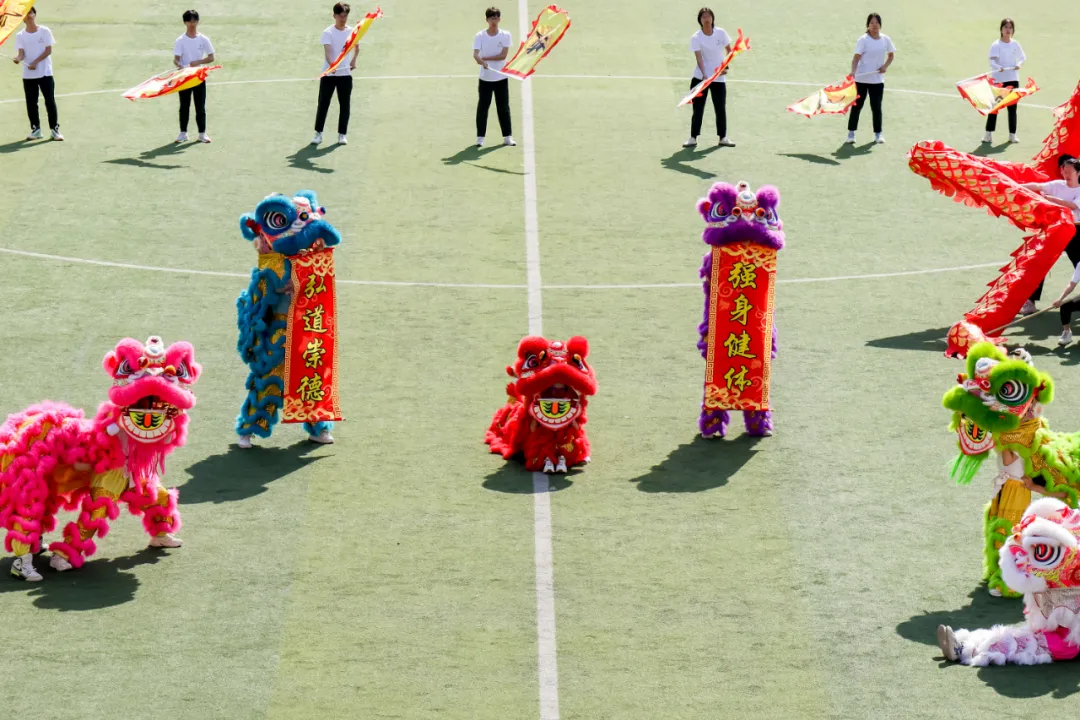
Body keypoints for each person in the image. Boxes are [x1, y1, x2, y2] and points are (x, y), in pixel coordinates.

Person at [1023, 155, 1080, 316]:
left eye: (1069, 172)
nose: (1066, 174)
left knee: (1079, 263)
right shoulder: (1057, 185)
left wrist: (1050, 199)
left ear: (1078, 173)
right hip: (1054, 231)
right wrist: (1016, 186)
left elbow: (1071, 205)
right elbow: (1037, 186)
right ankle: (1030, 302)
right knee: (1039, 263)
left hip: (1075, 232)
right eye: (1064, 171)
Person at [683, 7, 734, 149]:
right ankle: (693, 138)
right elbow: (699, 58)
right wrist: (705, 75)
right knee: (698, 109)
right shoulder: (696, 37)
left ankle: (723, 137)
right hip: (701, 78)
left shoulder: (721, 33)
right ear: (699, 20)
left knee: (720, 108)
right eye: (703, 17)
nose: (706, 19)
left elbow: (729, 51)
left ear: (712, 18)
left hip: (718, 77)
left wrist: (725, 67)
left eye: (708, 16)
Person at [313, 3, 360, 146]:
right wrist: (331, 65)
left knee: (345, 105)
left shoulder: (351, 31)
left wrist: (353, 60)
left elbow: (356, 47)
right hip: (329, 75)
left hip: (345, 75)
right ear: (334, 16)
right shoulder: (328, 32)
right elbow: (328, 52)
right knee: (323, 104)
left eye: (345, 16)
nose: (343, 19)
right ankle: (318, 134)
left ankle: (342, 134)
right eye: (340, 16)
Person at [12, 7, 62, 141]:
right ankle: (36, 129)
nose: (29, 15)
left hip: (45, 73)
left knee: (50, 101)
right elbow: (21, 54)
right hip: (28, 75)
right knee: (31, 103)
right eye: (26, 13)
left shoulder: (44, 31)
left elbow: (48, 50)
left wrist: (35, 62)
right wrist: (18, 59)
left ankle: (54, 130)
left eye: (30, 12)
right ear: (23, 18)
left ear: (34, 14)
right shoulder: (20, 35)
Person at [846, 13, 894, 145]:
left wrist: (884, 66)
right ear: (868, 25)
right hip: (861, 79)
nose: (874, 25)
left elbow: (891, 55)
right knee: (857, 107)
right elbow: (856, 58)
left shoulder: (885, 39)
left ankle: (878, 134)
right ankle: (851, 133)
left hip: (877, 80)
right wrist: (853, 72)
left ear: (880, 24)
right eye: (872, 23)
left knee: (876, 107)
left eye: (877, 23)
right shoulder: (863, 40)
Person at [473, 7, 515, 148]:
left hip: (501, 77)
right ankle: (480, 138)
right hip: (485, 78)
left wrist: (485, 59)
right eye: (492, 18)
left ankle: (507, 137)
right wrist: (480, 61)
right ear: (487, 20)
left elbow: (503, 56)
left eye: (496, 18)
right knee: (483, 107)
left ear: (499, 19)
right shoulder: (480, 36)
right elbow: (475, 54)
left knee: (503, 107)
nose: (494, 20)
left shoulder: (505, 35)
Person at [173, 9, 215, 143]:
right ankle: (183, 133)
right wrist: (179, 65)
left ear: (198, 21)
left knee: (200, 106)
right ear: (185, 22)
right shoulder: (180, 40)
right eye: (189, 21)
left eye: (194, 21)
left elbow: (211, 57)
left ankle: (202, 134)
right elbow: (176, 59)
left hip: (198, 76)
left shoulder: (203, 39)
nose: (192, 23)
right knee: (184, 106)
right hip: (184, 76)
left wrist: (198, 62)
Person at [983, 18, 1025, 145]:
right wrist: (998, 67)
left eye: (1010, 27)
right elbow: (992, 61)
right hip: (999, 81)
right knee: (994, 108)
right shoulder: (996, 45)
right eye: (1005, 27)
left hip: (1013, 79)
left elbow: (1022, 57)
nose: (1008, 30)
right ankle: (988, 134)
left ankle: (1012, 135)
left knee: (1012, 109)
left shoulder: (1015, 44)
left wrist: (1018, 64)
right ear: (1001, 29)